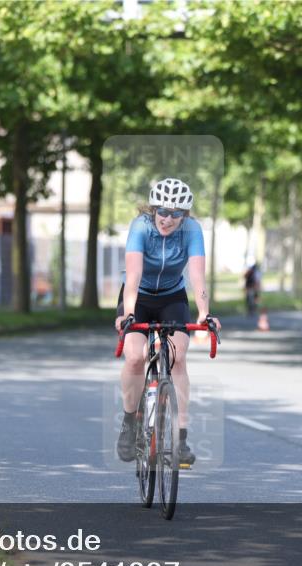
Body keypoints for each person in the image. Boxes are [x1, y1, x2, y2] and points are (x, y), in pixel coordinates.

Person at [114, 177, 221, 466]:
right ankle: (129, 423)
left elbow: (197, 276)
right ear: (153, 210)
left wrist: (204, 312)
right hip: (139, 297)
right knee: (135, 357)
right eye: (162, 211)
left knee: (178, 358)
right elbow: (133, 275)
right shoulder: (140, 227)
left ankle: (180, 439)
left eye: (176, 214)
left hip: (172, 296)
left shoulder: (192, 230)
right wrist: (128, 313)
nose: (168, 219)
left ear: (185, 214)